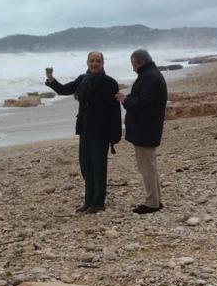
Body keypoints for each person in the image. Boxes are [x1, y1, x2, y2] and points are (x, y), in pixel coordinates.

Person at [45, 51, 122, 214]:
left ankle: (98, 202)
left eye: (98, 61)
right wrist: (51, 79)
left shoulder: (110, 83)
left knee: (98, 167)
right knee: (86, 167)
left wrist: (116, 134)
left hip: (101, 131)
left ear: (103, 63)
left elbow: (115, 110)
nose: (95, 64)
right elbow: (64, 90)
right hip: (85, 129)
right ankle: (88, 201)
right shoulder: (82, 79)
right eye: (92, 61)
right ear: (87, 62)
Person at [115, 49, 168, 215]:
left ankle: (152, 203)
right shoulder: (151, 75)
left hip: (145, 129)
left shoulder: (150, 77)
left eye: (133, 65)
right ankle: (155, 200)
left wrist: (125, 100)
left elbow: (142, 104)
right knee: (150, 166)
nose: (132, 68)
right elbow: (142, 99)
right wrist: (130, 98)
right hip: (148, 128)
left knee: (146, 168)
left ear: (140, 63)